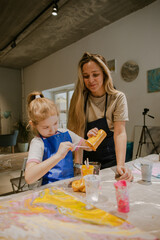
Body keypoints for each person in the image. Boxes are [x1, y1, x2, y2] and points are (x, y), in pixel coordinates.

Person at [68, 52, 133, 181]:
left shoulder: (117, 98)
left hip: (111, 160)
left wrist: (121, 165)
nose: (91, 80)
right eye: (86, 76)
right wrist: (77, 166)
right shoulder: (79, 99)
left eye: (95, 74)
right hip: (87, 162)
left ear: (104, 73)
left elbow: (119, 133)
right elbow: (78, 131)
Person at [25, 91, 92, 186]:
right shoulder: (38, 143)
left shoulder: (66, 133)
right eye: (46, 127)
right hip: (50, 190)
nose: (52, 130)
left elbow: (89, 147)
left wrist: (92, 137)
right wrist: (58, 156)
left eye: (55, 123)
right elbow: (29, 178)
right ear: (33, 125)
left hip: (70, 186)